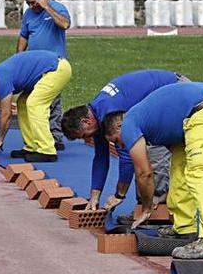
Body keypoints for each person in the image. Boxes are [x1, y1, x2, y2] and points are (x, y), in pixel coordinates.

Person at [102, 82, 203, 260]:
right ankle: (184, 228)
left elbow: (144, 174)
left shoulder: (129, 123)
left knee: (198, 174)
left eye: (117, 141)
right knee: (179, 171)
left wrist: (147, 209)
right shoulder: (150, 120)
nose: (122, 145)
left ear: (119, 127)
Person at [60, 70, 189, 216]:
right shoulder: (97, 116)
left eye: (83, 135)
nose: (86, 139)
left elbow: (127, 156)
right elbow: (101, 158)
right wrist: (95, 196)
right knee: (140, 151)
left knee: (151, 148)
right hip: (165, 93)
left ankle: (155, 212)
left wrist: (119, 195)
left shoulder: (109, 112)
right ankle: (143, 207)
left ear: (86, 121)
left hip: (177, 91)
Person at [0, 50, 72, 163]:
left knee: (35, 103)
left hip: (57, 69)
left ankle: (47, 150)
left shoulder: (2, 79)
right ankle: (32, 147)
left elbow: (6, 114)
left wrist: (0, 139)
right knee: (23, 103)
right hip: (49, 70)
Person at [17, 0, 71, 150]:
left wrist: (47, 7)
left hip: (55, 63)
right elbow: (24, 36)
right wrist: (19, 56)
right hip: (34, 65)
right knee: (37, 100)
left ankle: (54, 137)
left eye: (34, 3)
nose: (32, 7)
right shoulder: (28, 14)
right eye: (29, 4)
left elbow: (65, 24)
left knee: (51, 101)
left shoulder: (58, 8)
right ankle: (42, 136)